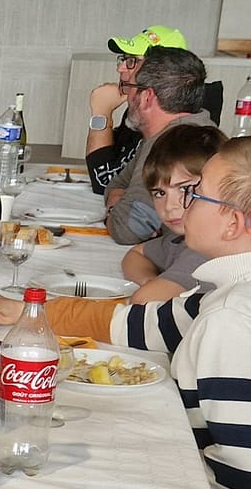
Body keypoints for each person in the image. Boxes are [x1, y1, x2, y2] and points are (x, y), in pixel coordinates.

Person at [0, 137, 251, 489]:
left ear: (232, 223)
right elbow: (144, 324)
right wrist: (35, 313)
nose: (183, 204)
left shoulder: (231, 320)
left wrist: (145, 464)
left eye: (196, 193)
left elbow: (243, 477)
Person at [102, 46, 217, 244]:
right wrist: (118, 201)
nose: (128, 96)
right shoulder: (174, 132)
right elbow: (116, 185)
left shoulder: (174, 145)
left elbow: (127, 230)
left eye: (130, 87)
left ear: (146, 97)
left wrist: (113, 210)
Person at [120, 121, 226, 303]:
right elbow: (137, 254)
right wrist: (150, 281)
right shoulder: (181, 239)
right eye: (160, 193)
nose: (169, 206)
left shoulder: (208, 250)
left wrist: (154, 289)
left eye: (185, 189)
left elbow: (143, 301)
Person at [85, 25, 189, 186]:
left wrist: (101, 113)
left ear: (163, 71)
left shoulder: (170, 120)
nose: (120, 68)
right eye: (124, 59)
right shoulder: (139, 106)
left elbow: (104, 181)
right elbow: (113, 162)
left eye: (132, 61)